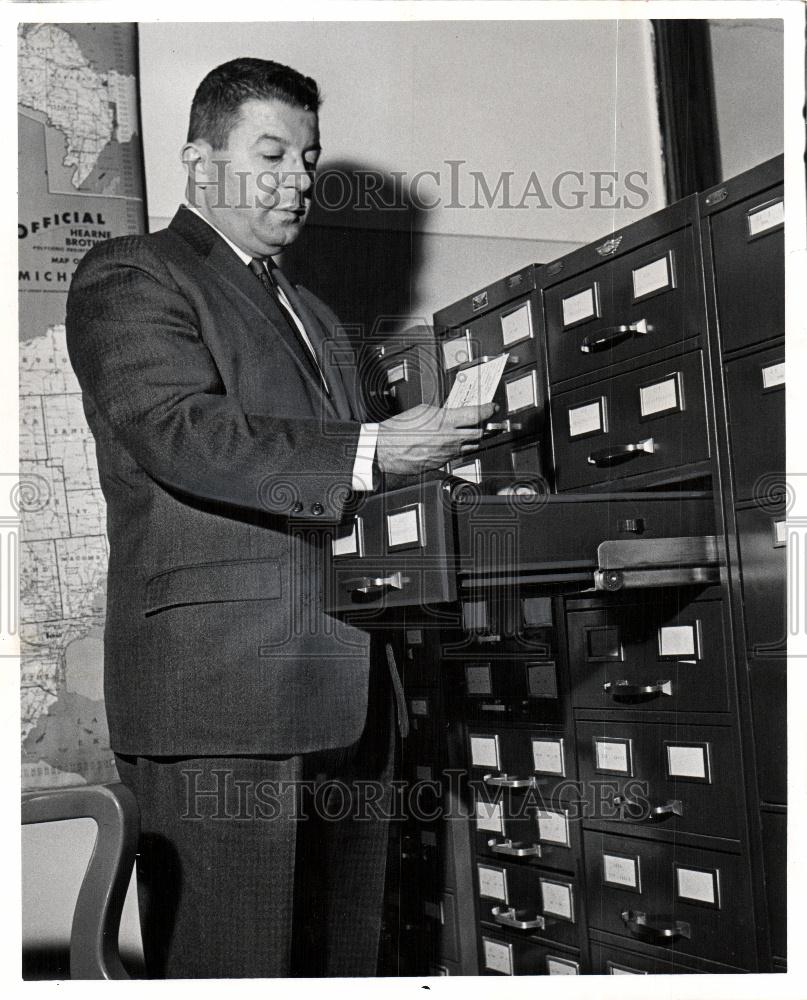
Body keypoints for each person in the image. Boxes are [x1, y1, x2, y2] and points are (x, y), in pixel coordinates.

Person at [65, 57, 493, 979]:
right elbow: (180, 432)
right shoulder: (132, 273)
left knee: (343, 967)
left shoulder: (317, 316)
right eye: (270, 154)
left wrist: (443, 471)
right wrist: (376, 450)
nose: (298, 179)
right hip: (222, 697)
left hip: (345, 690)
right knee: (233, 970)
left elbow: (339, 480)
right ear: (198, 160)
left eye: (308, 157)